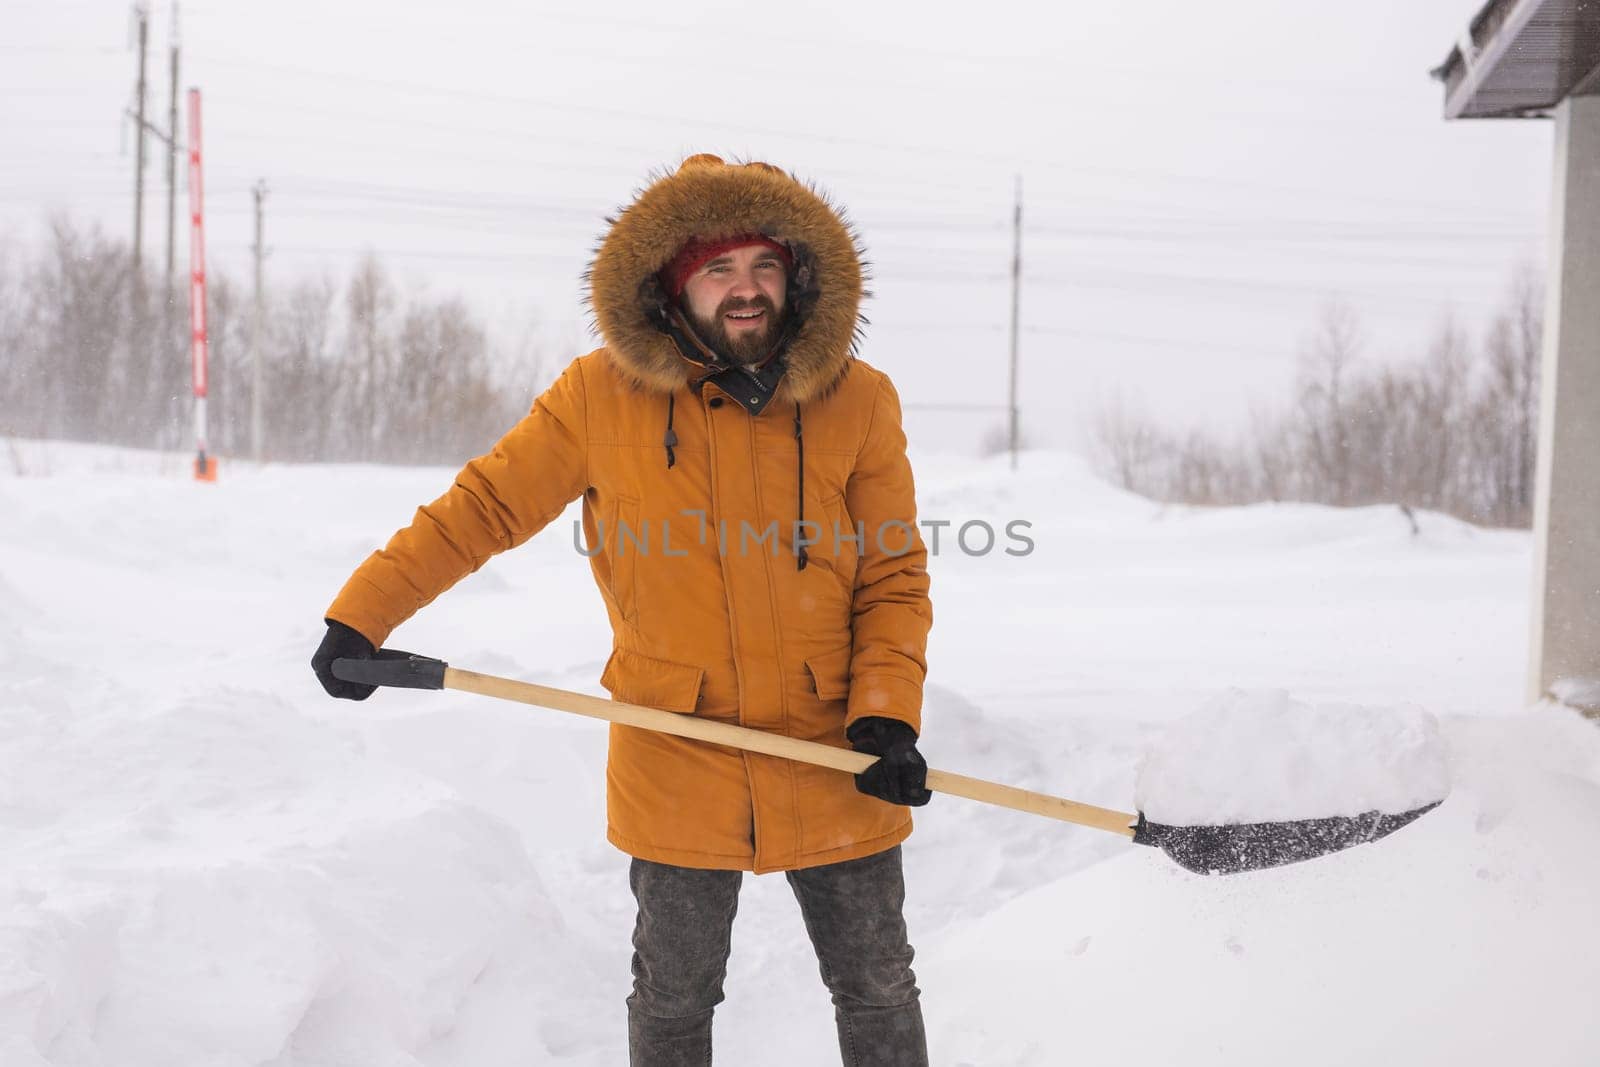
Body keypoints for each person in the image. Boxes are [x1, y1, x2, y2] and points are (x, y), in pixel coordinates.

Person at [311, 154, 935, 1067]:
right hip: (675, 741)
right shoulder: (599, 396)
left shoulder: (859, 399)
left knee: (879, 985)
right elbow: (485, 506)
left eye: (763, 265)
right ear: (671, 285)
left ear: (796, 276)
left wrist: (886, 711)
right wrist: (363, 614)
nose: (745, 289)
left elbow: (892, 573)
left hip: (835, 743)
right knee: (675, 997)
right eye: (718, 269)